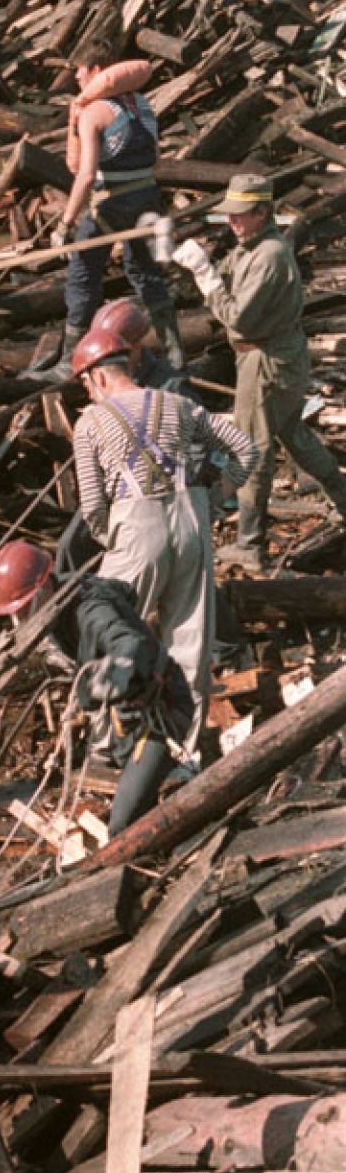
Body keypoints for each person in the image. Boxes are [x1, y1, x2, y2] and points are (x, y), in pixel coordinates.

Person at [69, 322, 258, 755]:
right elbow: (246, 449)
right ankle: (183, 751)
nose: (86, 392)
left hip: (136, 529)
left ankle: (106, 738)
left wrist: (112, 540)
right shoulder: (178, 404)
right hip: (193, 524)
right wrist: (215, 499)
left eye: (84, 383)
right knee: (190, 644)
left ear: (97, 375)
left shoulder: (92, 422)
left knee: (106, 623)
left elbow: (93, 504)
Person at [173, 171, 346, 572]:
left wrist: (204, 276)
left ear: (263, 212)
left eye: (241, 215)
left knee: (253, 448)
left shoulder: (269, 255)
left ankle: (250, 543)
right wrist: (205, 260)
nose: (233, 221)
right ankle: (342, 497)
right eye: (230, 215)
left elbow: (239, 318)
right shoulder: (252, 246)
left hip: (265, 362)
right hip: (275, 357)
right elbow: (233, 274)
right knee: (294, 434)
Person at [0, 539, 194, 835]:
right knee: (129, 780)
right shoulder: (60, 604)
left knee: (124, 822)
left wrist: (118, 668)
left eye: (22, 611)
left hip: (161, 713)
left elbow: (128, 643)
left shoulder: (92, 610)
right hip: (126, 717)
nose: (19, 621)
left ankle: (178, 791)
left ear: (44, 587)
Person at [33, 42, 182, 382]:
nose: (77, 79)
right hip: (147, 200)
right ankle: (175, 353)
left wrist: (65, 224)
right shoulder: (143, 105)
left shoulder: (93, 112)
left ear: (97, 71)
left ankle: (67, 363)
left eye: (80, 72)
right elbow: (155, 161)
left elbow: (85, 175)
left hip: (111, 204)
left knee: (83, 274)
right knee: (144, 271)